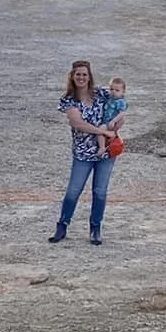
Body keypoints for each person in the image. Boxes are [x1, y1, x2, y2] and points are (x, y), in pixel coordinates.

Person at [51, 60, 119, 245]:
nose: (81, 77)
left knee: (100, 192)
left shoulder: (102, 94)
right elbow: (77, 123)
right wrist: (102, 131)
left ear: (90, 77)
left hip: (106, 151)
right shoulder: (69, 100)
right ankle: (62, 225)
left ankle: (95, 228)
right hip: (83, 153)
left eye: (84, 74)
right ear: (72, 77)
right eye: (78, 74)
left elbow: (120, 105)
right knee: (74, 190)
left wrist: (115, 126)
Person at [96, 77, 128, 159]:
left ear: (123, 92)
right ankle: (103, 146)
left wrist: (114, 121)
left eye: (117, 90)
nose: (113, 92)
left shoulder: (121, 101)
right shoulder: (110, 98)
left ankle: (104, 145)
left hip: (112, 122)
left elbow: (122, 113)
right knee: (100, 130)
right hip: (106, 121)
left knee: (102, 130)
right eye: (111, 89)